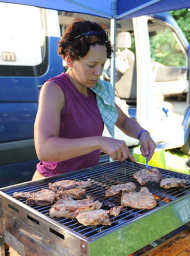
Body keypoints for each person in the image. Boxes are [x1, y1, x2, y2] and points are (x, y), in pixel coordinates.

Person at [33, 20, 156, 180]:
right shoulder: (54, 89)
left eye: (102, 64)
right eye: (91, 65)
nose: (98, 72)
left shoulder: (99, 90)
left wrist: (142, 134)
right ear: (70, 59)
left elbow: (124, 121)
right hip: (53, 183)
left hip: (86, 180)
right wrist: (99, 141)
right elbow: (44, 149)